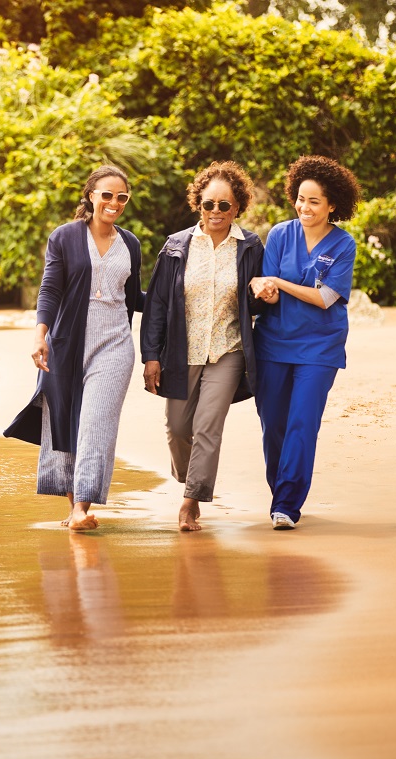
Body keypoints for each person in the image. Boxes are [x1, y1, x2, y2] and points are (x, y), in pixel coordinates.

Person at [4, 164, 145, 531]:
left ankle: (82, 507)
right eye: (107, 195)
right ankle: (72, 506)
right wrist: (40, 336)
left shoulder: (130, 243)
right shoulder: (65, 237)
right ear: (91, 197)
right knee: (65, 421)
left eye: (122, 197)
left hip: (114, 345)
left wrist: (180, 296)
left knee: (96, 422)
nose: (114, 203)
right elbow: (50, 289)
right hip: (65, 344)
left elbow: (135, 298)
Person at [140, 161, 266, 532]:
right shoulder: (176, 247)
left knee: (208, 426)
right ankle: (190, 479)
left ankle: (190, 502)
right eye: (209, 204)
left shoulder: (250, 246)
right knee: (178, 428)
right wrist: (151, 357)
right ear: (199, 204)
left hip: (228, 350)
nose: (216, 212)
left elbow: (255, 301)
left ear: (237, 207)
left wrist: (263, 292)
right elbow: (158, 305)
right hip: (182, 351)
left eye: (224, 206)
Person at [249, 155, 362, 530]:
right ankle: (281, 490)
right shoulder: (281, 234)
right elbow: (269, 289)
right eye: (300, 198)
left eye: (314, 201)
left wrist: (278, 282)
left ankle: (286, 504)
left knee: (302, 422)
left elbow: (327, 297)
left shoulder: (343, 245)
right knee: (274, 425)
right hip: (273, 344)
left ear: (332, 205)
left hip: (319, 348)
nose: (304, 207)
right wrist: (265, 288)